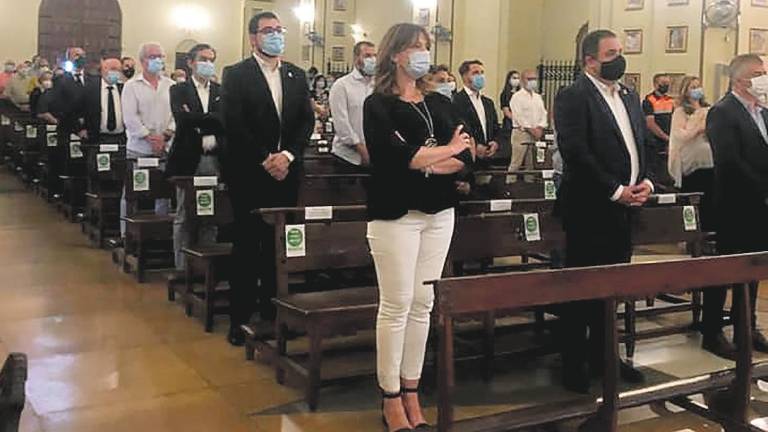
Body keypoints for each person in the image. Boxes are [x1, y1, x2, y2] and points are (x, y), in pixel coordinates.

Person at [364, 23, 474, 432]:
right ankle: (390, 397)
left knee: (424, 305)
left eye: (426, 47)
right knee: (396, 306)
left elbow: (467, 156)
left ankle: (412, 391)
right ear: (395, 54)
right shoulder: (378, 104)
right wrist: (441, 154)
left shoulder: (439, 103)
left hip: (439, 212)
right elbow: (395, 157)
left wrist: (435, 157)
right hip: (396, 215)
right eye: (414, 47)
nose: (422, 54)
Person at [554, 29, 652, 395]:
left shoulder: (628, 95)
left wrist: (645, 183)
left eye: (620, 52)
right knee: (583, 288)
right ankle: (574, 362)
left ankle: (604, 357)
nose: (619, 59)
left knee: (612, 287)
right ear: (589, 60)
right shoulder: (573, 96)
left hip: (625, 208)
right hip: (589, 207)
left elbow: (639, 144)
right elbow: (577, 152)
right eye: (611, 53)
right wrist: (615, 190)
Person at [221, 11, 313, 346]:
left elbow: (305, 122)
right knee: (247, 246)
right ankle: (240, 318)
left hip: (286, 173)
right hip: (249, 172)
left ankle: (275, 314)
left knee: (278, 248)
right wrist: (265, 158)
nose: (275, 35)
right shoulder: (236, 74)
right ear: (253, 38)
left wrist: (287, 156)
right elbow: (234, 123)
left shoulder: (295, 75)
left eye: (279, 30)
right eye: (268, 31)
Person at [704, 54, 768, 359]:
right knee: (724, 269)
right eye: (758, 74)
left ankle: (747, 325)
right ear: (740, 79)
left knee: (753, 269)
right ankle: (712, 331)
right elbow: (729, 162)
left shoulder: (763, 112)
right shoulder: (722, 112)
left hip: (761, 208)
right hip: (735, 205)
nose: (764, 78)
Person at [167, 43, 224, 273]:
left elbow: (225, 121)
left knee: (211, 212)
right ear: (190, 62)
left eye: (211, 59)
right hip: (187, 158)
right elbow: (182, 119)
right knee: (184, 214)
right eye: (203, 59)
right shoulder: (178, 90)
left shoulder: (221, 91)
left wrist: (199, 119)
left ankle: (206, 267)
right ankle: (182, 267)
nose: (208, 64)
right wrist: (210, 120)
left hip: (213, 158)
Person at [120, 42, 175, 235]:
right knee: (132, 193)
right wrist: (150, 137)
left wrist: (166, 135)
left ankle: (159, 232)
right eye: (154, 57)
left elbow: (176, 115)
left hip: (165, 147)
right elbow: (130, 117)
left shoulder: (171, 85)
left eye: (161, 56)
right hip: (139, 148)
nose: (158, 60)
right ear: (143, 61)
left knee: (163, 193)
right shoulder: (131, 86)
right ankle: (127, 234)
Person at [668, 76, 713, 227]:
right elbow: (680, 135)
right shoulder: (681, 111)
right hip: (690, 161)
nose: (697, 90)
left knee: (709, 196)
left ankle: (708, 228)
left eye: (698, 86)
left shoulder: (708, 108)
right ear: (686, 91)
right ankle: (690, 231)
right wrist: (698, 128)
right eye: (693, 87)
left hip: (709, 160)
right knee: (693, 197)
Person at [329, 41, 376, 168]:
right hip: (347, 157)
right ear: (356, 58)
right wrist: (362, 149)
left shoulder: (379, 86)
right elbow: (341, 124)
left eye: (375, 56)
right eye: (367, 56)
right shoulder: (342, 85)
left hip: (376, 155)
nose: (373, 60)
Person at [452, 60, 499, 162]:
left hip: (488, 157)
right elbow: (458, 128)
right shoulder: (456, 101)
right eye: (475, 73)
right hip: (466, 157)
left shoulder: (488, 103)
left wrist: (495, 142)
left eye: (482, 73)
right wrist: (475, 145)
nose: (480, 76)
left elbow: (495, 126)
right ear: (464, 76)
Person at [508, 69, 547, 172]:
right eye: (529, 79)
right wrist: (530, 129)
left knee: (532, 164)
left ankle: (529, 184)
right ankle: (510, 183)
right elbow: (518, 116)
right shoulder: (517, 97)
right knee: (516, 162)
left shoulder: (537, 97)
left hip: (536, 134)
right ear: (522, 80)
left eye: (534, 79)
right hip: (521, 133)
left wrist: (540, 127)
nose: (532, 81)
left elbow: (543, 114)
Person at [643, 73, 676, 188]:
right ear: (655, 84)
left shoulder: (671, 100)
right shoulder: (649, 101)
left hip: (671, 141)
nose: (666, 86)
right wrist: (666, 138)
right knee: (657, 175)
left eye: (667, 83)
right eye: (663, 83)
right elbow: (650, 124)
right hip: (655, 143)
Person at [83, 58, 125, 142]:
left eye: (119, 70)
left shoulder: (124, 89)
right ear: (103, 70)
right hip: (96, 137)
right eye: (113, 69)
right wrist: (81, 129)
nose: (116, 72)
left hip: (120, 138)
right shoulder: (89, 88)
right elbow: (79, 109)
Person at [500, 69, 521, 133]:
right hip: (509, 125)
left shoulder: (521, 94)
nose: (516, 80)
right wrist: (517, 121)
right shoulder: (505, 94)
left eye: (518, 78)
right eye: (514, 78)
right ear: (509, 80)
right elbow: (506, 112)